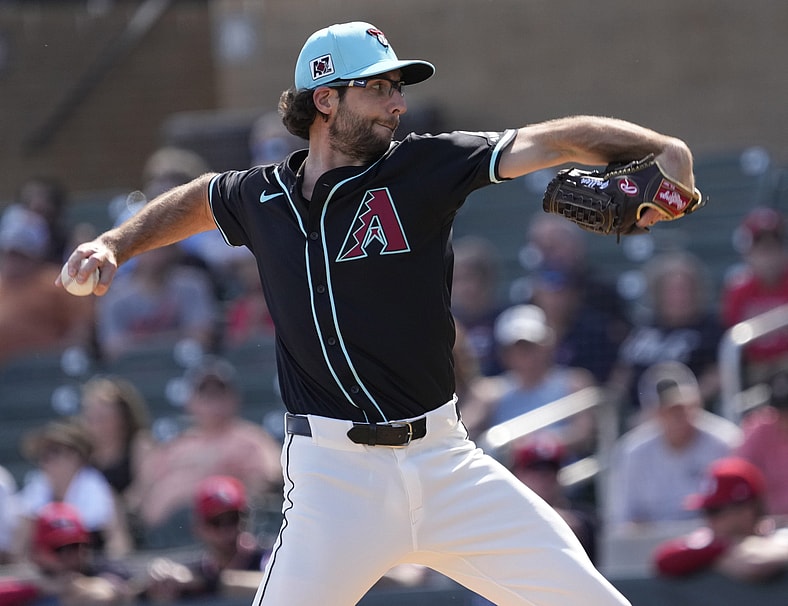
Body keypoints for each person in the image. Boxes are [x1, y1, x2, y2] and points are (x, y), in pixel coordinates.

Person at [58, 20, 700, 605]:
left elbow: (552, 140)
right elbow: (194, 200)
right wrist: (116, 242)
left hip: (447, 464)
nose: (398, 101)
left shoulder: (423, 166)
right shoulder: (262, 196)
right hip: (335, 483)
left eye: (399, 87)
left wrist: (660, 145)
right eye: (378, 88)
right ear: (326, 98)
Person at [125, 356, 282, 540]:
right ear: (191, 402)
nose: (212, 401)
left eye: (219, 393)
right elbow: (139, 493)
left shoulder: (251, 439)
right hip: (161, 536)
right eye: (205, 394)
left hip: (219, 535)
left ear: (234, 399)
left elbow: (268, 480)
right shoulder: (176, 444)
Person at [605, 361, 742, 532]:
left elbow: (737, 510)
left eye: (684, 407)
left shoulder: (725, 441)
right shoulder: (632, 451)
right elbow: (624, 521)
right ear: (654, 413)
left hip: (713, 539)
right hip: (651, 549)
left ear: (696, 403)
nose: (679, 416)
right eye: (669, 410)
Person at [461, 304, 597, 458]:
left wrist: (534, 447)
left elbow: (584, 434)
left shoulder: (575, 383)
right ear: (503, 353)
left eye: (530, 346)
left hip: (565, 477)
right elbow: (464, 430)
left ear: (548, 345)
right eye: (516, 347)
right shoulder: (489, 392)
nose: (524, 355)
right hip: (509, 477)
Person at [608, 250, 723, 424]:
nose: (678, 297)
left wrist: (673, 408)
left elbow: (717, 376)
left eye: (684, 289)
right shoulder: (644, 329)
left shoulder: (709, 328)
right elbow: (623, 373)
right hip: (639, 419)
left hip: (688, 419)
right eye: (671, 290)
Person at [653, 457, 788, 582]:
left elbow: (754, 564)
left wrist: (722, 552)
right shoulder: (711, 541)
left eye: (715, 510)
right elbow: (664, 560)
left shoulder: (779, 536)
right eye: (706, 511)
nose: (709, 519)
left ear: (747, 510)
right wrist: (722, 550)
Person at [13, 419, 132, 560]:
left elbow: (119, 543)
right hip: (46, 575)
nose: (46, 460)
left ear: (76, 456)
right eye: (43, 454)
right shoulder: (36, 489)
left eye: (55, 452)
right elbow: (19, 549)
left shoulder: (102, 492)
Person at [142, 475, 270, 602]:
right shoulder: (199, 570)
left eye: (233, 518)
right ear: (198, 526)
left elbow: (273, 585)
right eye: (216, 522)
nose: (226, 530)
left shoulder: (266, 558)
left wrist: (206, 584)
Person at [0, 206, 94, 365]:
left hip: (46, 371)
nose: (13, 261)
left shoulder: (57, 282)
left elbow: (80, 332)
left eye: (20, 255)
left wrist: (53, 362)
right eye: (9, 253)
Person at [94, 242, 220, 361]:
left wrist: (139, 342)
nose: (156, 254)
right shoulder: (116, 295)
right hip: (135, 373)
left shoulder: (192, 284)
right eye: (149, 247)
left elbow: (202, 337)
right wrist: (175, 338)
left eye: (163, 247)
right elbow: (112, 350)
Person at [0, 502, 134, 606]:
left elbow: (120, 588)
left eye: (75, 546)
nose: (69, 555)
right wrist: (45, 588)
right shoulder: (30, 582)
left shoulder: (102, 568)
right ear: (38, 553)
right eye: (60, 549)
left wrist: (82, 585)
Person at [721, 206, 788, 386]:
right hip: (755, 376)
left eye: (773, 248)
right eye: (762, 250)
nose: (769, 257)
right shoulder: (738, 290)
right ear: (748, 254)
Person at [509, 432, 599, 562]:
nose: (544, 478)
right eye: (534, 470)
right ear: (518, 473)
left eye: (550, 470)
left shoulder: (581, 521)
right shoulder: (505, 515)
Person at [735, 368, 788, 520]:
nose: (785, 417)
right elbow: (740, 475)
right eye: (781, 411)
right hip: (768, 525)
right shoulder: (758, 430)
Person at [451, 234, 507, 376]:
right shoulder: (447, 324)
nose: (462, 287)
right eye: (455, 279)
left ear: (487, 278)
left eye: (468, 278)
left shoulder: (507, 319)